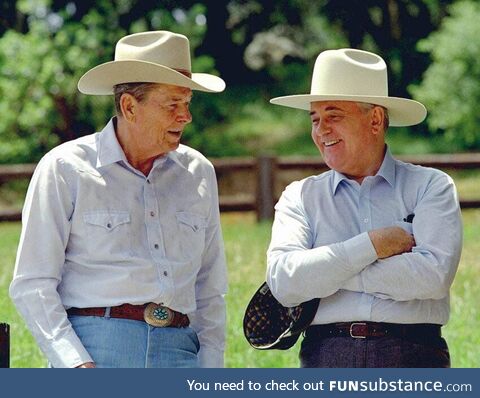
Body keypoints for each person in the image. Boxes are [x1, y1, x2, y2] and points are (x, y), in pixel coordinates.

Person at [9, 31, 227, 368]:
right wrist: (75, 364)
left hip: (182, 354)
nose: (186, 116)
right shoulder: (65, 168)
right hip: (96, 353)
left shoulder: (199, 171)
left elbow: (210, 288)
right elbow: (33, 282)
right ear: (129, 107)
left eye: (187, 103)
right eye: (173, 104)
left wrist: (210, 369)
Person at [266, 48, 462, 368]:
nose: (321, 130)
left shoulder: (431, 186)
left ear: (375, 120)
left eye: (334, 116)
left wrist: (326, 270)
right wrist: (373, 245)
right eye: (315, 119)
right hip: (326, 357)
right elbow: (285, 283)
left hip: (415, 357)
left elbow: (433, 277)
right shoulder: (299, 196)